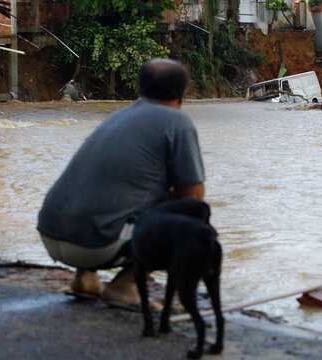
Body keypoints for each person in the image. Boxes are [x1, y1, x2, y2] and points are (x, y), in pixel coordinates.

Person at [37, 59, 205, 308]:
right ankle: (124, 287)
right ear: (182, 95)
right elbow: (193, 198)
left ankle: (85, 278)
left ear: (141, 90)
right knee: (193, 220)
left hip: (50, 235)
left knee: (125, 196)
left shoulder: (118, 116)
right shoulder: (176, 122)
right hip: (92, 246)